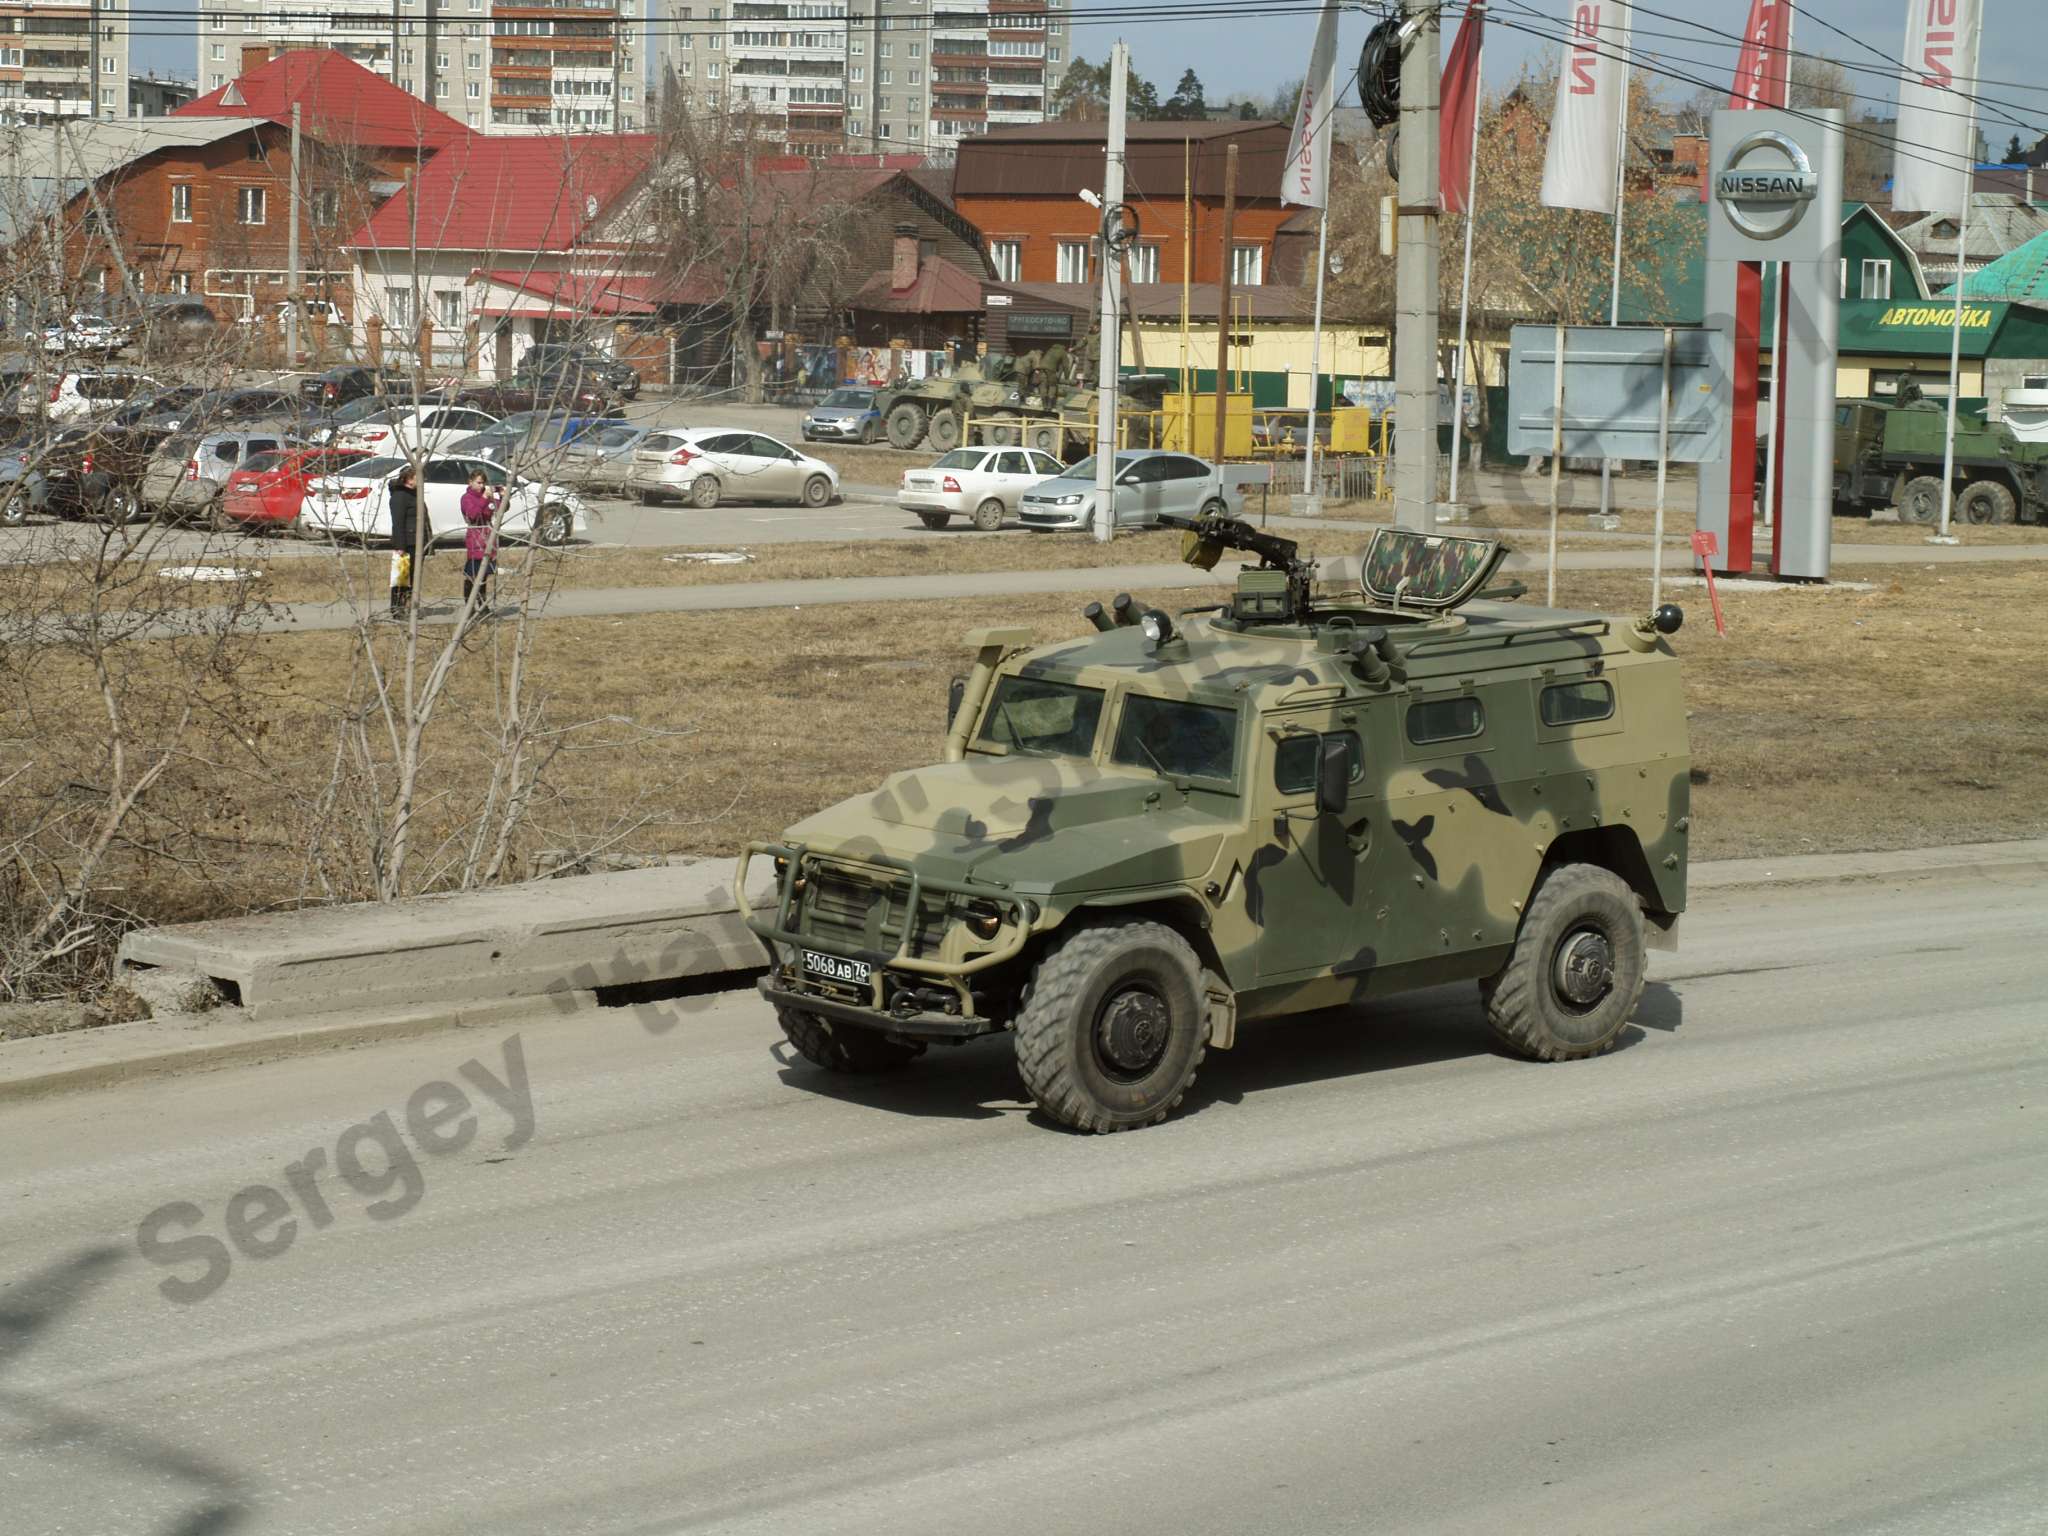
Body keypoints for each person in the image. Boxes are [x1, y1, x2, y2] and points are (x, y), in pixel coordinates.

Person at [460, 469, 500, 617]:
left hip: (487, 539)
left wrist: (502, 496)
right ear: (470, 482)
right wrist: (484, 498)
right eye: (478, 482)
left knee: (484, 576)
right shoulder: (467, 498)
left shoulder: (487, 496)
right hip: (475, 539)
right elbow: (473, 514)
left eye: (483, 483)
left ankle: (483, 606)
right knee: (472, 574)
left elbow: (499, 508)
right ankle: (469, 607)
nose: (481, 485)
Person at [386, 464, 421, 620]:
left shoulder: (416, 494)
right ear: (408, 479)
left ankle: (407, 606)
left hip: (416, 542)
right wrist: (400, 546)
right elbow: (398, 523)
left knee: (412, 577)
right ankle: (396, 608)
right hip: (405, 543)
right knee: (401, 577)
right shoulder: (399, 496)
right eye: (417, 477)